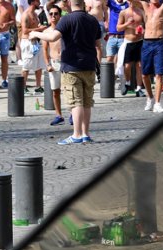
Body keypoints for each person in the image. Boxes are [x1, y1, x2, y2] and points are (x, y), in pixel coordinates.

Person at [29, 0, 99, 143]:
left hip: (72, 66)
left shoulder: (67, 19)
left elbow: (52, 37)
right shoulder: (93, 19)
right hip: (89, 65)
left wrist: (36, 33)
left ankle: (77, 135)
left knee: (76, 102)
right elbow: (98, 46)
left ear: (70, 3)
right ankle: (85, 134)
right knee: (86, 102)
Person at [116, 0, 145, 94]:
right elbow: (118, 28)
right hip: (128, 42)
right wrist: (127, 24)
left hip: (139, 41)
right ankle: (128, 83)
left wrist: (142, 30)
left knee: (139, 66)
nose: (132, 2)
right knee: (127, 66)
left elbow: (146, 25)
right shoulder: (123, 12)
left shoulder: (141, 12)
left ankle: (139, 88)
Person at [41, 3, 64, 123]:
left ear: (60, 15)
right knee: (55, 91)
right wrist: (48, 64)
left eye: (56, 14)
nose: (53, 16)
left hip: (65, 62)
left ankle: (72, 114)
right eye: (51, 14)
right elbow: (44, 49)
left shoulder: (64, 29)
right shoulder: (46, 32)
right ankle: (59, 115)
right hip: (54, 63)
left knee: (69, 90)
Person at [19, 0, 46, 90]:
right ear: (33, 2)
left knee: (39, 65)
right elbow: (25, 30)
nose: (40, 3)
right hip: (27, 42)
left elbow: (36, 26)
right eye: (38, 1)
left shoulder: (35, 13)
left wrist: (41, 27)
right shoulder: (26, 14)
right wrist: (39, 29)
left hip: (36, 42)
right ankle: (23, 86)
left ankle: (38, 86)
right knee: (26, 65)